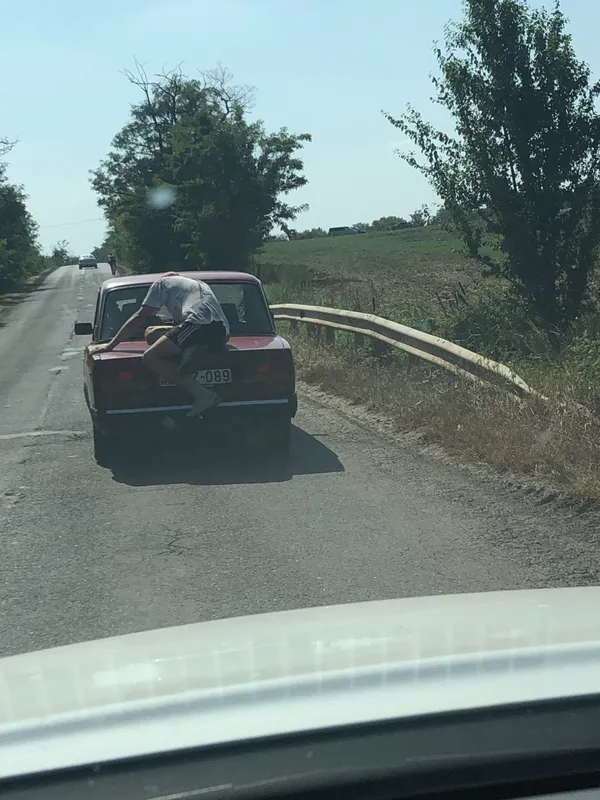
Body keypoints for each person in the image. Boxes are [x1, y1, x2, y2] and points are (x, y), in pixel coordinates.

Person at [91, 272, 230, 417]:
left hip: (198, 325)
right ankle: (193, 347)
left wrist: (110, 345)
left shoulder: (161, 284)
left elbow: (140, 317)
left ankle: (203, 395)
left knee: (150, 357)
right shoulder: (197, 285)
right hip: (221, 333)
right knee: (152, 333)